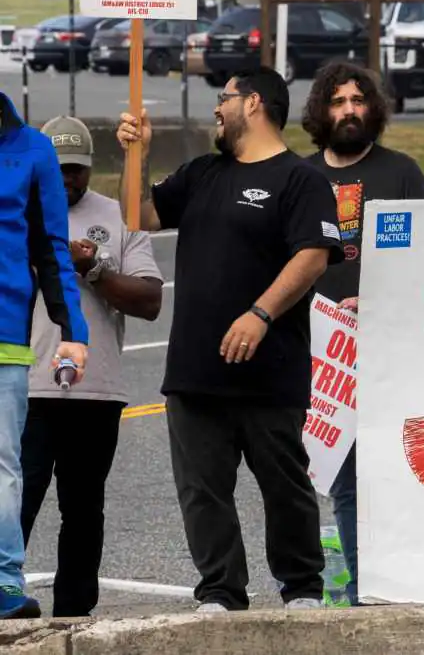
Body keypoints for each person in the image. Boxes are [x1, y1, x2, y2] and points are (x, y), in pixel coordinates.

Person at [116, 68, 343, 613]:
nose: (217, 108)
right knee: (202, 491)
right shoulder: (201, 174)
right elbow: (136, 217)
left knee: (284, 486)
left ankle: (302, 590)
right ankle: (220, 592)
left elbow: (312, 254)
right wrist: (137, 155)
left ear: (255, 103)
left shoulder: (300, 179)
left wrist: (260, 314)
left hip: (271, 371)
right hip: (196, 372)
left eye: (225, 98)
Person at [20, 117, 162, 618]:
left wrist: (95, 269)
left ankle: (74, 617)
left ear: (90, 167)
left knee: (82, 513)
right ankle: (5, 601)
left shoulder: (118, 216)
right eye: (57, 170)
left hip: (95, 392)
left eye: (76, 170)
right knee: (13, 507)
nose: (67, 180)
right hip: (26, 386)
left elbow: (149, 301)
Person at [302, 62, 424, 606]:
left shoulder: (401, 172)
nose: (349, 110)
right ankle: (361, 594)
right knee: (344, 483)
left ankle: (414, 587)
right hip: (322, 358)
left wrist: (377, 299)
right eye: (337, 102)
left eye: (358, 100)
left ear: (373, 108)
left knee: (406, 477)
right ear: (321, 112)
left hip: (393, 350)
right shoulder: (299, 176)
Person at [0, 93, 89, 620]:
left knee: (3, 467)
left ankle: (5, 582)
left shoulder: (34, 152)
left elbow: (52, 249)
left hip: (5, 336)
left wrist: (72, 331)